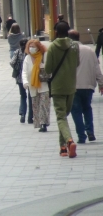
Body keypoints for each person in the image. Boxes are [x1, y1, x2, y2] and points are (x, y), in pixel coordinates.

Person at [45, 22, 80, 158]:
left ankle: (69, 141)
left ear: (56, 32)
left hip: (57, 86)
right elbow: (77, 63)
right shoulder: (74, 45)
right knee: (64, 116)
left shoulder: (53, 47)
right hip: (71, 85)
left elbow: (48, 69)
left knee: (60, 116)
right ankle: (63, 148)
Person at [68, 30, 103, 143]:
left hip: (73, 86)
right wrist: (101, 83)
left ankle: (81, 135)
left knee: (76, 110)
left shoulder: (68, 51)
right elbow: (96, 68)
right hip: (88, 85)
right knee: (87, 108)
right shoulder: (89, 51)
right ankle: (90, 131)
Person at [22, 39, 51, 132]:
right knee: (36, 105)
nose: (31, 48)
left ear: (38, 47)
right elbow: (24, 72)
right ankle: (39, 122)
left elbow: (50, 69)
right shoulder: (27, 58)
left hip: (44, 85)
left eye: (33, 46)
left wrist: (43, 67)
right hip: (33, 86)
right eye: (30, 46)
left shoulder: (44, 56)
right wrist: (25, 82)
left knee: (44, 105)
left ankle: (44, 124)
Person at [10, 39, 33, 124]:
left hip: (20, 78)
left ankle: (22, 114)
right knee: (31, 96)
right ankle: (30, 116)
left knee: (23, 96)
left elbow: (12, 62)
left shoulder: (17, 52)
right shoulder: (30, 53)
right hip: (30, 77)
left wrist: (18, 68)